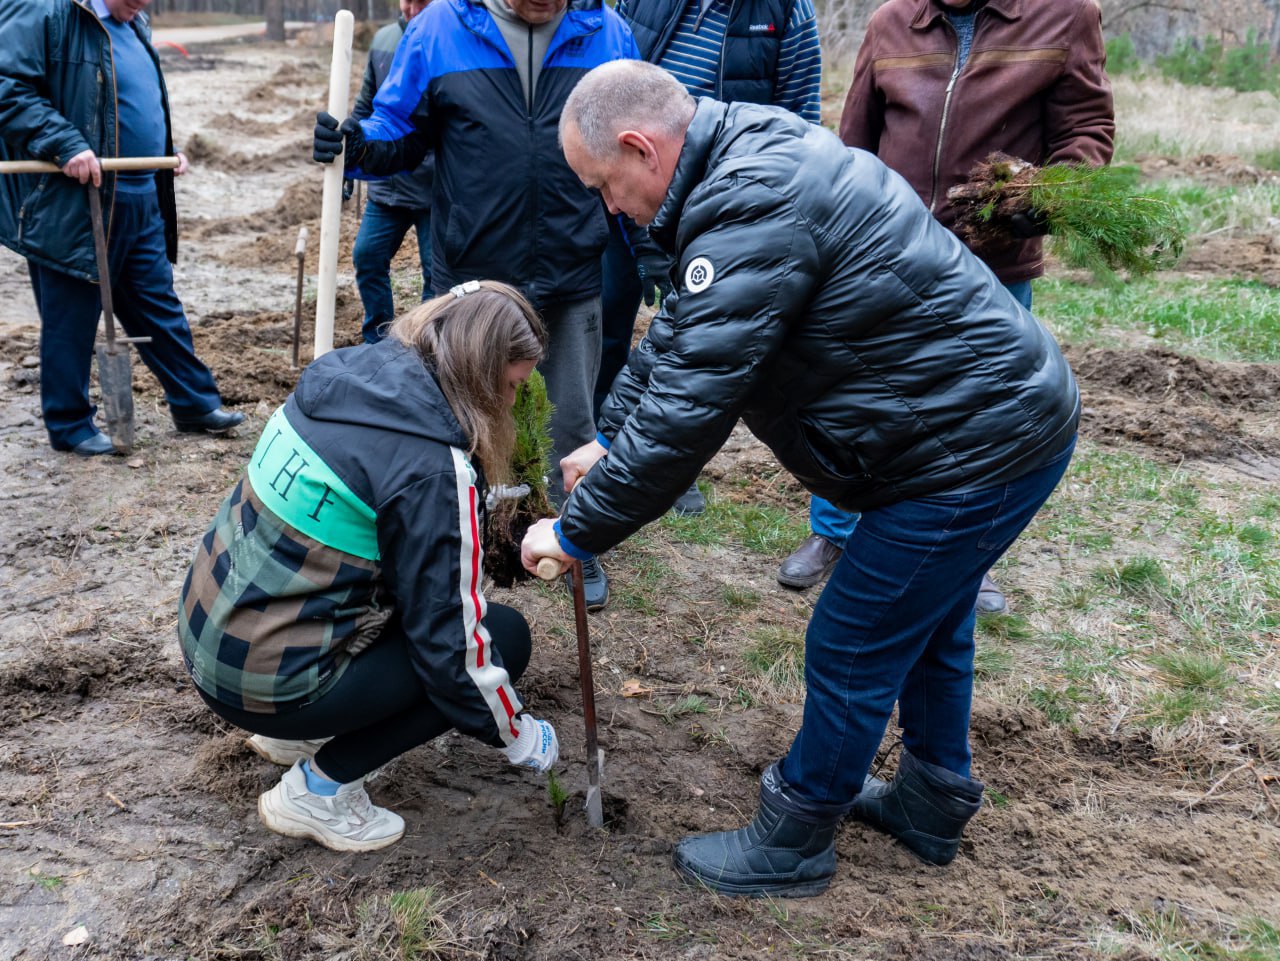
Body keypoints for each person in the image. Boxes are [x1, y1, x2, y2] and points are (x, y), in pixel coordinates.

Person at [523, 60, 1079, 896]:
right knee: (929, 619)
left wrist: (575, 529)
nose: (610, 206)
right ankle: (931, 802)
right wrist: (607, 437)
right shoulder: (736, 162)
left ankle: (795, 838)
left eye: (606, 183)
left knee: (853, 634)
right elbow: (684, 324)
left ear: (641, 146)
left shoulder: (751, 200)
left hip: (974, 444)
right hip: (963, 425)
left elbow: (689, 414)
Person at [178, 281, 560, 853]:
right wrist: (519, 735)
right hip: (264, 683)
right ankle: (318, 790)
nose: (509, 404)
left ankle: (290, 737)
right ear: (480, 375)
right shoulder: (431, 466)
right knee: (505, 636)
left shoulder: (339, 379)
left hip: (214, 641)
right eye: (509, 386)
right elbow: (449, 644)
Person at [777, 0, 1114, 606]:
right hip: (885, 255)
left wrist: (1044, 198)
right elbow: (853, 141)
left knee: (980, 413)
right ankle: (833, 531)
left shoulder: (1063, 16)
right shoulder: (891, 22)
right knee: (855, 394)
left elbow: (1086, 132)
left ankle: (967, 553)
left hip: (991, 263)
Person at [312, 0, 637, 612]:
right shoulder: (440, 29)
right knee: (465, 416)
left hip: (572, 263)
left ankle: (576, 537)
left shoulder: (607, 31)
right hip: (474, 272)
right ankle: (473, 536)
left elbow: (636, 140)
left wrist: (648, 241)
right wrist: (352, 144)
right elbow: (398, 133)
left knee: (573, 417)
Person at [596, 0, 823, 517]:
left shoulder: (788, 11)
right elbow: (609, 93)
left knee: (698, 339)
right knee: (608, 330)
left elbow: (798, 115)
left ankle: (673, 462)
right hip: (631, 191)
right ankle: (600, 444)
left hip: (724, 208)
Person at [0, 0, 244, 457]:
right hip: (76, 199)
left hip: (140, 191)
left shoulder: (136, 22)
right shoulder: (46, 12)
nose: (145, 2)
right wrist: (63, 143)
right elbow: (6, 87)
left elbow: (126, 99)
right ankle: (70, 425)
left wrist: (164, 149)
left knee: (157, 303)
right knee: (72, 316)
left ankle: (194, 403)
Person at [348, 0, 434, 344]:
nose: (412, 8)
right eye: (406, 0)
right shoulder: (384, 39)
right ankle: (378, 339)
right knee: (367, 256)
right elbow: (365, 107)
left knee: (437, 274)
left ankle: (430, 346)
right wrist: (349, 160)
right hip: (387, 187)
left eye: (422, 1)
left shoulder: (447, 40)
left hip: (434, 188)